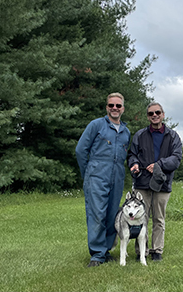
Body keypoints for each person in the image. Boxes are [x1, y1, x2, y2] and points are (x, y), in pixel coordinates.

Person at [75, 92, 130, 267]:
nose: (114, 108)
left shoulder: (126, 131)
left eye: (118, 106)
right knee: (97, 213)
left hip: (117, 175)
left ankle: (106, 250)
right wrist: (88, 173)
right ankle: (97, 254)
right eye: (111, 105)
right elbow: (80, 150)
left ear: (123, 109)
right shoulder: (96, 125)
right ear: (106, 107)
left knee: (112, 214)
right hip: (97, 174)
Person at [127, 102, 182, 262]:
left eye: (157, 112)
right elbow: (132, 154)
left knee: (159, 219)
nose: (154, 115)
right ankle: (141, 252)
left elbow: (176, 159)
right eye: (151, 113)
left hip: (162, 184)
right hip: (142, 183)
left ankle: (157, 251)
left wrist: (159, 165)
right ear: (148, 117)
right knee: (140, 219)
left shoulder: (173, 136)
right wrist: (134, 164)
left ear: (163, 114)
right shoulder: (139, 135)